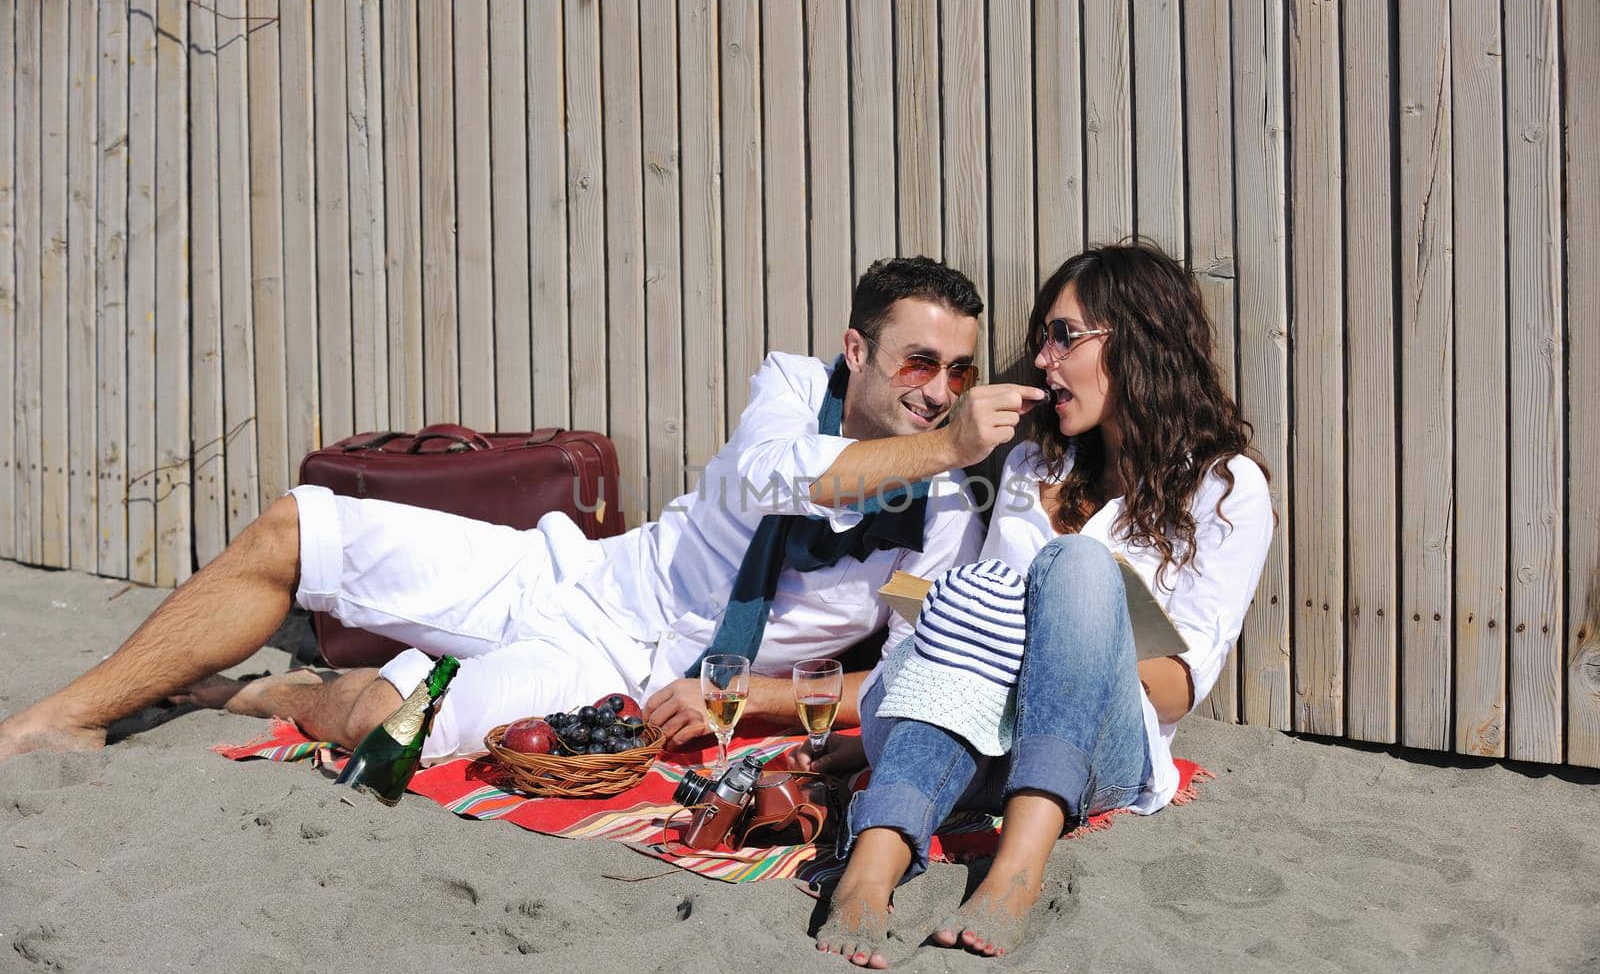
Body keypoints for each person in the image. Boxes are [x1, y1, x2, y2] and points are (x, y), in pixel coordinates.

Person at [0, 257, 1050, 764]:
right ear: (857, 349)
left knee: (388, 730)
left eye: (959, 371)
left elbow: (915, 665)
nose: (939, 386)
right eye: (920, 359)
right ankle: (62, 717)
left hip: (631, 666)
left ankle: (249, 691)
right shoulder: (790, 388)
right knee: (299, 522)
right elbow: (779, 476)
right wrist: (948, 440)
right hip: (577, 574)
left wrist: (762, 699)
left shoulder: (950, 503)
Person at [808, 241, 1275, 969]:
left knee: (1078, 567)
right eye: (1042, 339)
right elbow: (968, 641)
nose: (1044, 360)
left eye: (1064, 337)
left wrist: (1070, 627)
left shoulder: (1226, 489)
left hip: (1101, 747)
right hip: (979, 724)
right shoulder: (1035, 463)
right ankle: (868, 871)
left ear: (1140, 339)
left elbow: (1183, 686)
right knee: (980, 602)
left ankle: (1018, 870)